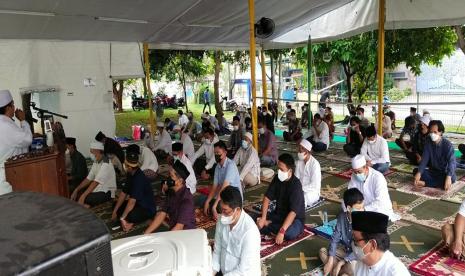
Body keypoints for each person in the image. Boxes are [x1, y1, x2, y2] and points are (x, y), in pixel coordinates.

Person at [256, 153, 305, 243]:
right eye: (278, 169)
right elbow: (267, 198)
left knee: (289, 233)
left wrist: (282, 231)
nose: (279, 172)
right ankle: (269, 224)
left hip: (295, 220)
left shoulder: (296, 185)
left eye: (281, 169)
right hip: (279, 215)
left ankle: (270, 225)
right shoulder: (277, 178)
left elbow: (293, 212)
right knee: (254, 219)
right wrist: (263, 218)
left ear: (290, 171)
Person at [212, 186, 261, 276]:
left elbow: (243, 271)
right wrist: (211, 272)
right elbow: (217, 250)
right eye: (221, 209)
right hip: (224, 272)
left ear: (237, 210)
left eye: (226, 211)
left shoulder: (250, 233)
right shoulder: (222, 219)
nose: (222, 215)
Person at [319, 188, 365, 276]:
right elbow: (335, 239)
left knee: (353, 267)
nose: (362, 210)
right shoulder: (342, 217)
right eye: (358, 208)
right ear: (348, 208)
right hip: (345, 251)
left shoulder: (364, 221)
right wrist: (331, 259)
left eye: (363, 207)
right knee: (323, 252)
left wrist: (340, 263)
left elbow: (361, 250)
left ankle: (337, 270)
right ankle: (341, 273)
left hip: (357, 256)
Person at [352, 211, 410, 276]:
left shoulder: (395, 273)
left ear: (373, 245)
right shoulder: (362, 262)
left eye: (356, 240)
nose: (353, 244)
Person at [144, 161, 196, 233]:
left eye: (171, 176)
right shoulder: (172, 192)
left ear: (180, 181)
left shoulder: (186, 200)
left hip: (185, 235)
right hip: (174, 229)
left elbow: (179, 227)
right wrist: (146, 233)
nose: (168, 178)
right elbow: (162, 214)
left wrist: (166, 239)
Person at [112, 151, 156, 232]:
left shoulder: (139, 179)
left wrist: (122, 218)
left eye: (125, 165)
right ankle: (127, 220)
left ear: (129, 167)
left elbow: (132, 201)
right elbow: (123, 193)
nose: (124, 166)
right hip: (137, 204)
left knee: (131, 215)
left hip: (146, 208)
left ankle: (130, 222)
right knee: (115, 206)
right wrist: (115, 211)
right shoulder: (130, 173)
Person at [0, 90, 33, 195]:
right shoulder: (5, 125)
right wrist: (23, 120)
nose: (14, 107)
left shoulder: (5, 123)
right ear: (8, 108)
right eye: (13, 104)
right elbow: (27, 139)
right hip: (6, 180)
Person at [348, 155, 396, 221]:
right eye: (355, 172)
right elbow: (350, 192)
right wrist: (349, 207)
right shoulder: (354, 175)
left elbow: (380, 201)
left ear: (366, 167)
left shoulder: (378, 177)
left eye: (359, 172)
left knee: (371, 221)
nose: (357, 174)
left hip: (379, 208)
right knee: (346, 210)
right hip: (362, 206)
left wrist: (364, 209)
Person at [203, 141, 243, 220]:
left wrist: (214, 205)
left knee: (218, 207)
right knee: (204, 200)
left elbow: (224, 186)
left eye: (218, 152)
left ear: (225, 152)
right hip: (224, 195)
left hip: (233, 197)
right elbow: (214, 186)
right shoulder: (218, 166)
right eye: (215, 153)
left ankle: (221, 211)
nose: (216, 155)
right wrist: (207, 201)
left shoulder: (231, 165)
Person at [71, 142, 116, 208]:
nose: (91, 154)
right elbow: (89, 178)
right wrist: (76, 189)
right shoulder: (96, 161)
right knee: (79, 192)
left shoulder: (106, 162)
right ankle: (86, 205)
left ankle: (87, 206)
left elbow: (96, 182)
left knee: (84, 197)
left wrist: (83, 196)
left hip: (107, 192)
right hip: (98, 189)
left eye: (92, 152)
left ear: (98, 151)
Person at [414, 120, 456, 190]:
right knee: (416, 171)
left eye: (435, 132)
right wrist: (419, 172)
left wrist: (448, 177)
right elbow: (424, 159)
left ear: (441, 132)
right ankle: (436, 183)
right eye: (431, 132)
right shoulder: (428, 143)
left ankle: (425, 183)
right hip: (433, 171)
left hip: (444, 172)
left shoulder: (447, 145)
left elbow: (452, 162)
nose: (432, 134)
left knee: (453, 178)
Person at [295, 140, 321, 207]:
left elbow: (314, 184)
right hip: (299, 189)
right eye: (299, 148)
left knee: (304, 197)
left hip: (312, 191)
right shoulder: (299, 162)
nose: (299, 151)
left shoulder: (315, 164)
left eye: (302, 149)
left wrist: (300, 189)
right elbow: (296, 178)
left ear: (308, 151)